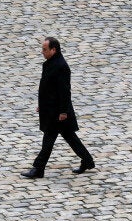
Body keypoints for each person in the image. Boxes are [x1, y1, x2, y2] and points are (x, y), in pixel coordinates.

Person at [21, 37, 95, 179]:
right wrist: (41, 105)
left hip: (58, 113)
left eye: (45, 49)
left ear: (53, 50)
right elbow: (47, 88)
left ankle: (38, 168)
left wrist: (63, 111)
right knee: (71, 138)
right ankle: (87, 160)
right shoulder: (50, 64)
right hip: (51, 110)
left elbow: (65, 91)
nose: (42, 52)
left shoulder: (61, 67)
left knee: (48, 140)